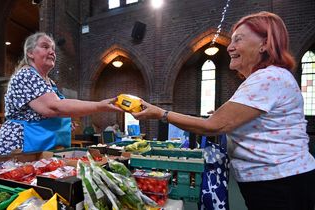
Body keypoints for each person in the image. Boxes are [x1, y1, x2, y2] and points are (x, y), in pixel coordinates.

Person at [132, 11, 315, 210]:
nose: (230, 47)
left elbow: (213, 126)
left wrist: (160, 113)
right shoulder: (268, 77)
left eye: (239, 39)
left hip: (281, 182)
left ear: (265, 44)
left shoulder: (268, 78)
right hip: (276, 179)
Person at [0, 32, 121, 156]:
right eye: (45, 46)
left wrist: (64, 123)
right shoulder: (26, 75)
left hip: (40, 147)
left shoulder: (50, 83)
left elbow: (48, 112)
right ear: (30, 53)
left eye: (53, 49)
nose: (52, 52)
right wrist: (100, 106)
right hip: (21, 147)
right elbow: (54, 107)